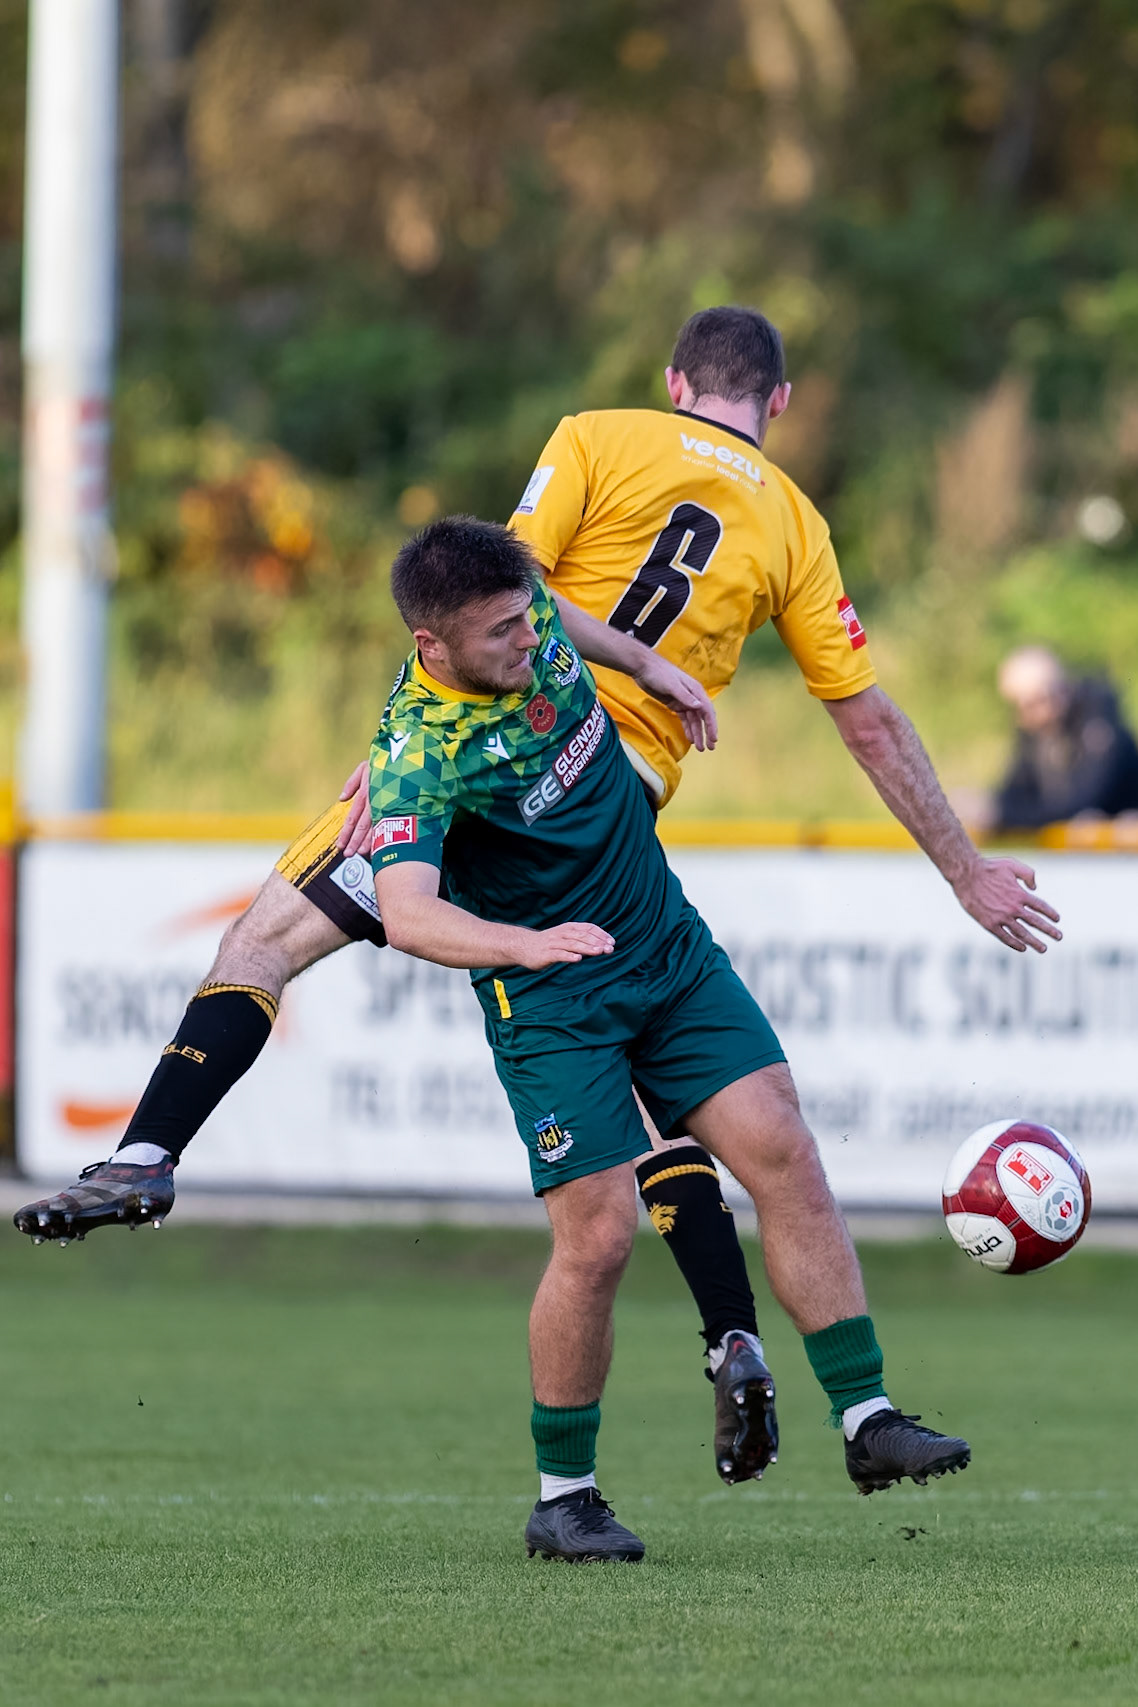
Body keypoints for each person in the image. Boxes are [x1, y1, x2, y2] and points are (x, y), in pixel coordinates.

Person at [15, 306, 1061, 1492]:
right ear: (776, 404)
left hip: (480, 748)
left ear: (674, 382)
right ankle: (739, 1340)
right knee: (675, 1091)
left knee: (265, 940)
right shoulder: (796, 525)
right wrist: (964, 869)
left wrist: (416, 735)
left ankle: (149, 1151)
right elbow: (865, 717)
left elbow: (491, 596)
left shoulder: (600, 437)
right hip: (611, 793)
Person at [368, 514, 973, 1563]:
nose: (527, 640)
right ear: (434, 647)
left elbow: (556, 610)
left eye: (527, 617)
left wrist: (653, 665)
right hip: (552, 994)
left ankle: (866, 1419)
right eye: (501, 632)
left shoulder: (531, 627)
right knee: (597, 1236)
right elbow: (407, 911)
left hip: (666, 947)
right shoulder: (418, 749)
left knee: (782, 1146)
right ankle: (565, 1497)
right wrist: (522, 944)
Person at [989, 645, 1138, 830]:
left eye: (1028, 706)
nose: (1022, 719)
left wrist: (1023, 816)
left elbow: (1088, 800)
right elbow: (1010, 799)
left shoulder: (1097, 719)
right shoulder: (1033, 732)